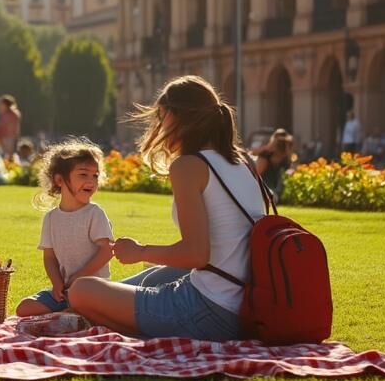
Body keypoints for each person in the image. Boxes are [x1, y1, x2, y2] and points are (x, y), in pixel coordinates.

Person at [68, 75, 264, 341]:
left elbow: (196, 255)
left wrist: (140, 251)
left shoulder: (188, 166)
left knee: (82, 291)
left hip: (211, 311)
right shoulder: (243, 163)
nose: (158, 126)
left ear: (176, 117)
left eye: (160, 117)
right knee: (153, 278)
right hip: (245, 305)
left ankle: (91, 309)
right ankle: (93, 303)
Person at [15, 138, 114, 317]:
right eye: (83, 174)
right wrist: (57, 283)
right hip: (66, 291)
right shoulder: (51, 218)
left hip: (93, 288)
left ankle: (78, 312)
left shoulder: (94, 213)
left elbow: (106, 251)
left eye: (95, 175)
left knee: (87, 300)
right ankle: (71, 312)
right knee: (25, 308)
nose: (91, 181)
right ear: (60, 179)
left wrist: (79, 277)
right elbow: (50, 258)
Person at [255, 129, 295, 202]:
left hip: (278, 190)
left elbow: (291, 167)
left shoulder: (286, 158)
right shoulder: (265, 156)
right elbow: (256, 175)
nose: (281, 145)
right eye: (279, 142)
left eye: (284, 143)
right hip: (266, 189)